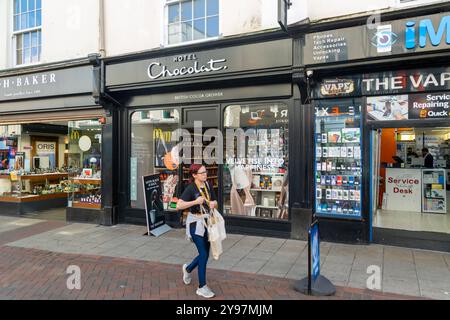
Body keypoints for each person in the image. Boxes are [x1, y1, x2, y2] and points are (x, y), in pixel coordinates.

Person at [176, 164, 218, 299]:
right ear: (194, 175)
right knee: (204, 254)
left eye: (205, 172)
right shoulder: (190, 188)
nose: (205, 174)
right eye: (202, 173)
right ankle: (202, 287)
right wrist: (195, 201)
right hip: (196, 224)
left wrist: (213, 203)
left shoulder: (208, 185)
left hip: (208, 223)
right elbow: (178, 205)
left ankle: (188, 269)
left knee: (205, 254)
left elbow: (214, 200)